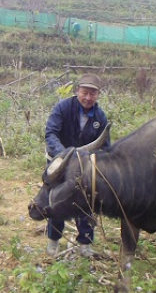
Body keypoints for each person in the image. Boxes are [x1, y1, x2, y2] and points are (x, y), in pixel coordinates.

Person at [44, 73, 111, 257]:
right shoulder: (63, 108)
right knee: (57, 201)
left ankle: (85, 244)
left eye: (93, 94)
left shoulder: (100, 117)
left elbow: (105, 147)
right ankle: (54, 240)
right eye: (85, 92)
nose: (88, 98)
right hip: (60, 163)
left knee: (87, 204)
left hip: (85, 168)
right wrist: (65, 155)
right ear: (77, 91)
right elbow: (51, 133)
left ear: (98, 95)